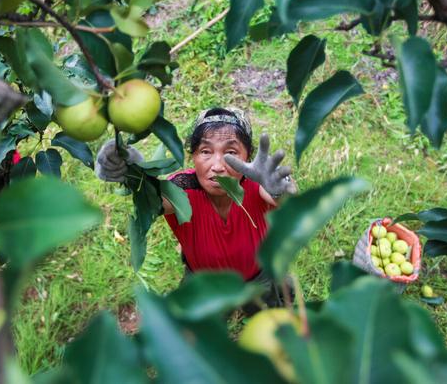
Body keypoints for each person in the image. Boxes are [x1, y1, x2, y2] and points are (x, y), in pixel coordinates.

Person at [95, 107, 297, 310]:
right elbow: (152, 200)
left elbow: (284, 199)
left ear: (248, 156)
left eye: (231, 152)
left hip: (258, 278)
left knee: (269, 325)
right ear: (193, 156)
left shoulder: (258, 186)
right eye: (206, 151)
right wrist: (134, 174)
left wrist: (281, 188)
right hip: (203, 284)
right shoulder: (181, 190)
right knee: (199, 330)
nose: (217, 165)